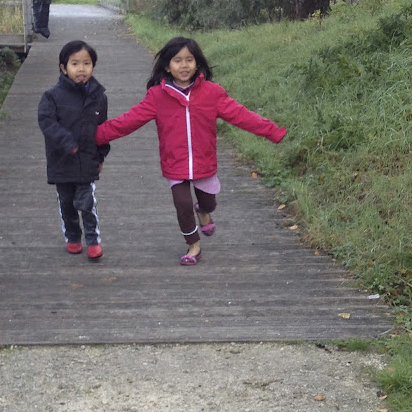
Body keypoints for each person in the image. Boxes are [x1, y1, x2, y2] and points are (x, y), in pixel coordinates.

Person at [95, 37, 286, 266]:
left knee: (208, 203)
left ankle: (203, 211)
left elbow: (242, 116)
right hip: (174, 162)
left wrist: (273, 132)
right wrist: (95, 136)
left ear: (197, 63)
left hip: (204, 162)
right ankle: (193, 246)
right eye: (177, 60)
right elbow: (128, 121)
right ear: (167, 66)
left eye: (189, 60)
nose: (184, 65)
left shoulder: (212, 93)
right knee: (182, 204)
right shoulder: (157, 96)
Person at [38, 40, 110, 261]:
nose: (81, 69)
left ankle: (93, 241)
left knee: (87, 203)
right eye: (75, 64)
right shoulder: (52, 96)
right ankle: (73, 238)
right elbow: (47, 122)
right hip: (61, 161)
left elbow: (102, 129)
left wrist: (101, 155)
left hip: (87, 160)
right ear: (63, 68)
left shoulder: (98, 97)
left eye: (87, 63)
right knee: (67, 202)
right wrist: (67, 143)